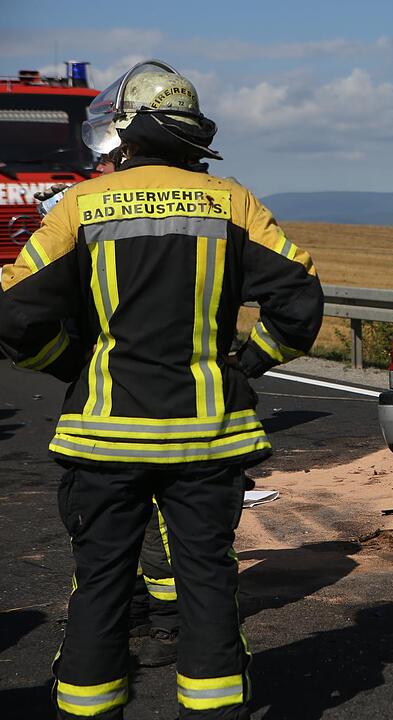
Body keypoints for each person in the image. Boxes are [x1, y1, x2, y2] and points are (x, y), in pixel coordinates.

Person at [0, 59, 324, 719]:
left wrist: (73, 366)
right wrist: (245, 365)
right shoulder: (232, 201)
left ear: (127, 135)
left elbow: (14, 318)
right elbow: (300, 309)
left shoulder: (81, 205)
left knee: (100, 587)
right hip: (206, 442)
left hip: (105, 438)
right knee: (207, 586)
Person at [35, 148, 182, 669]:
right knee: (121, 525)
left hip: (122, 404)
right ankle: (137, 613)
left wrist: (64, 363)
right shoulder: (96, 209)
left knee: (137, 520)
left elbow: (26, 312)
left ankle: (161, 619)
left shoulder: (88, 210)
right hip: (129, 398)